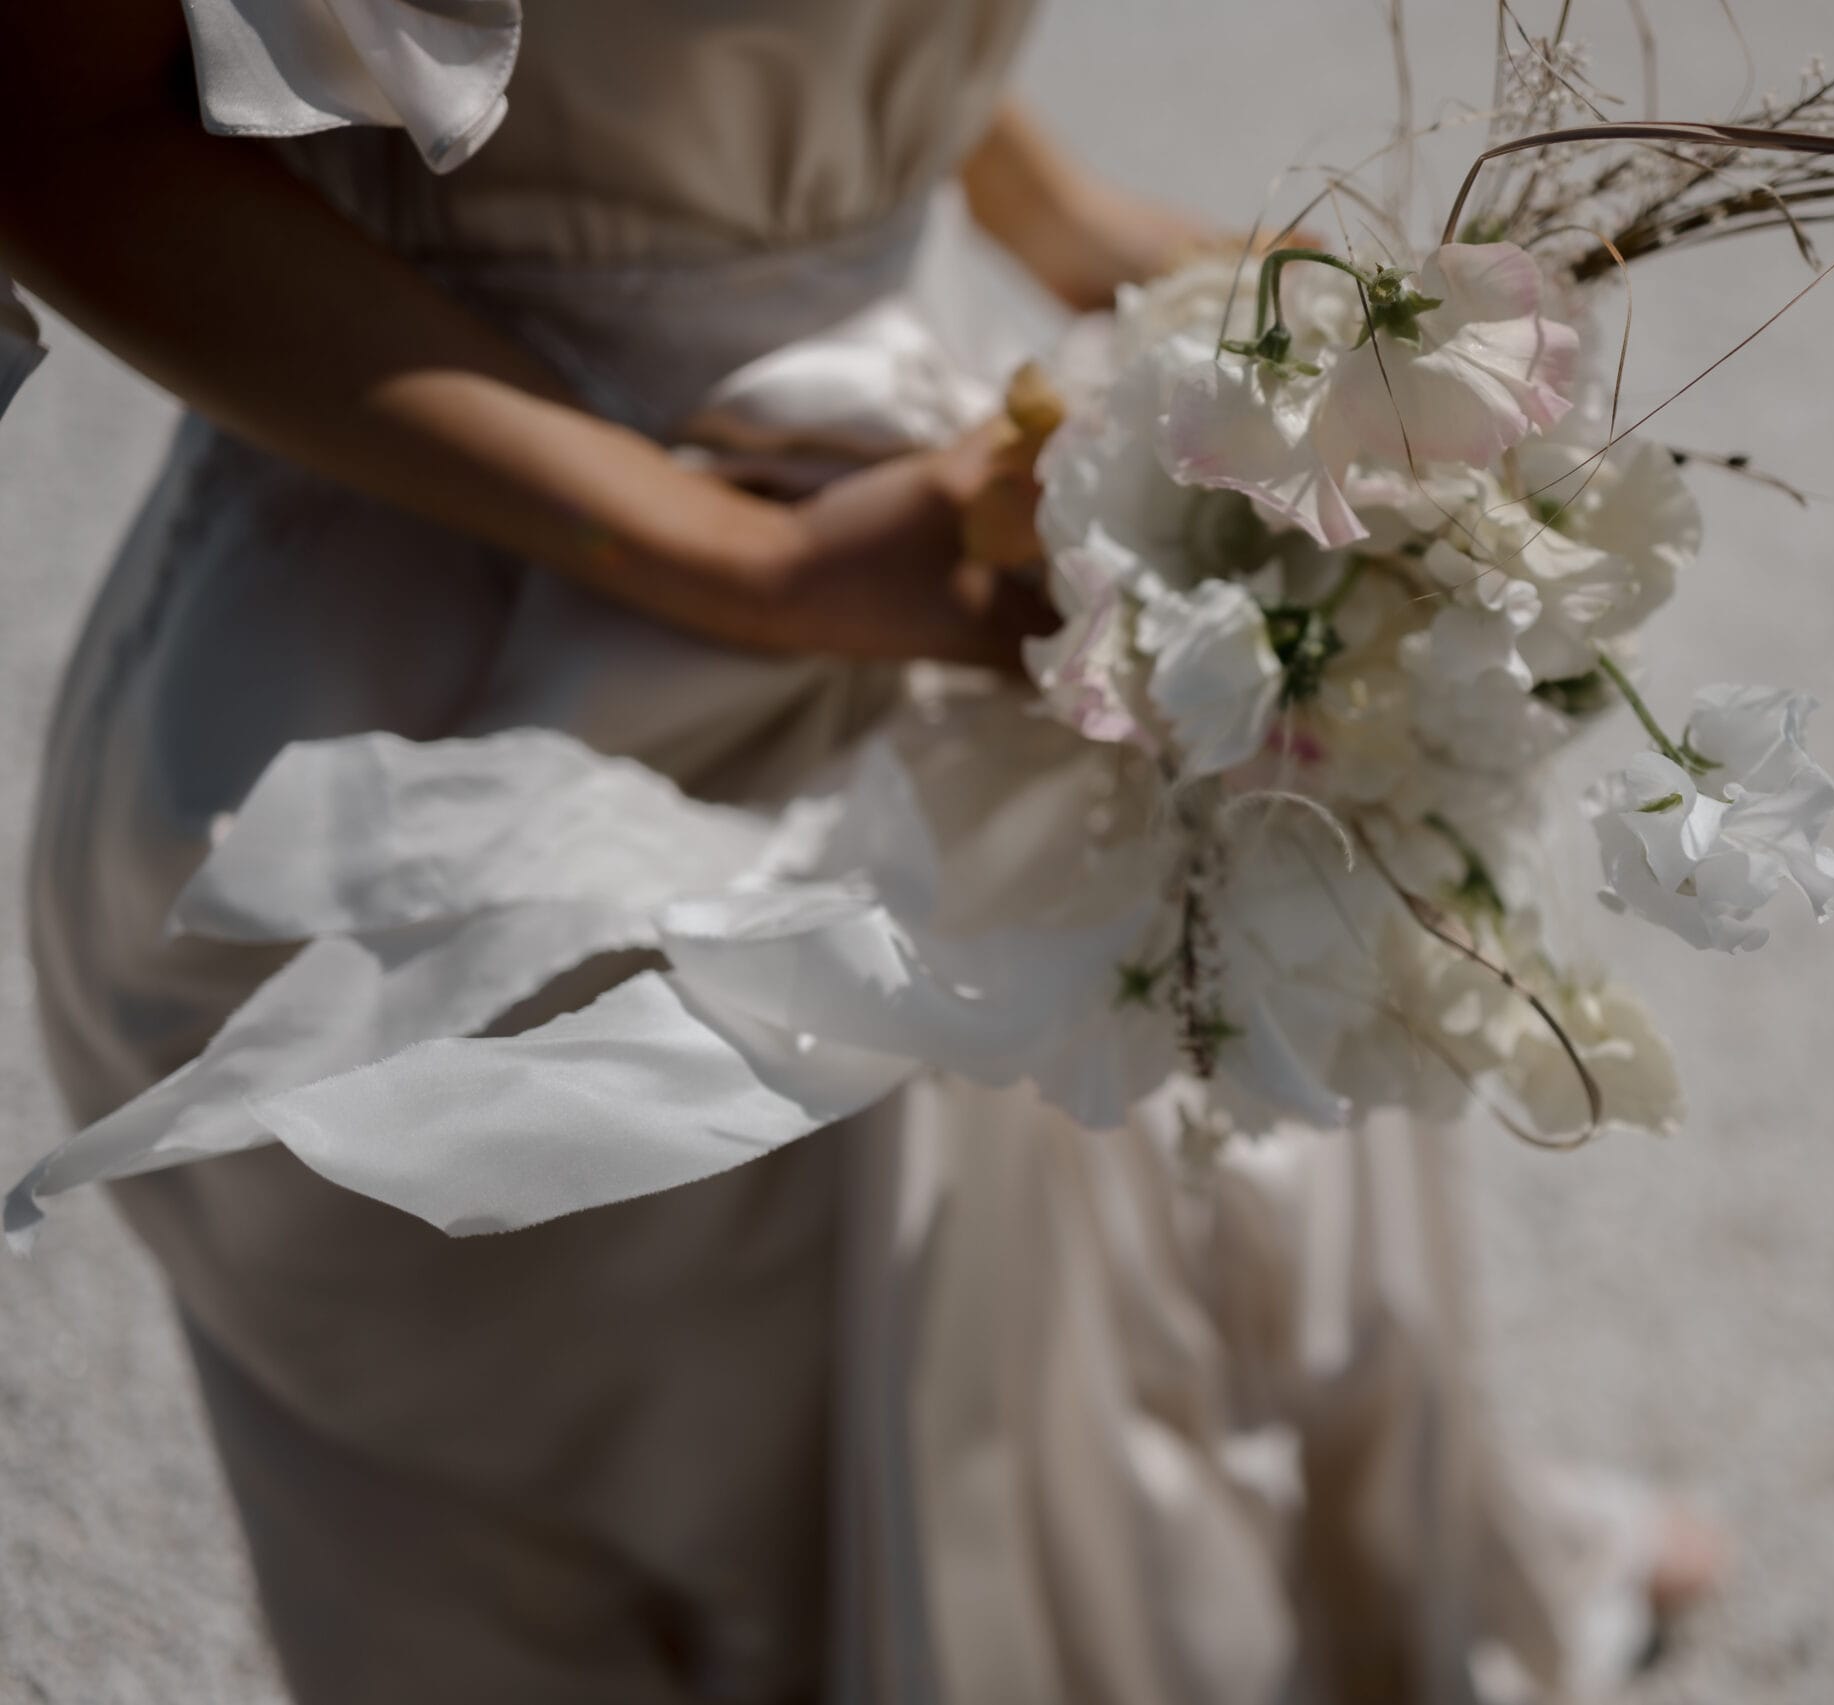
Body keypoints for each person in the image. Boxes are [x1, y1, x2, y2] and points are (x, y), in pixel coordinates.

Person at [0, 4, 1707, 1701]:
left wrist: (1063, 222)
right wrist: (751, 572)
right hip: (479, 624)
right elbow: (53, 123)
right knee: (657, 1408)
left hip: (945, 498)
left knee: (1110, 1254)